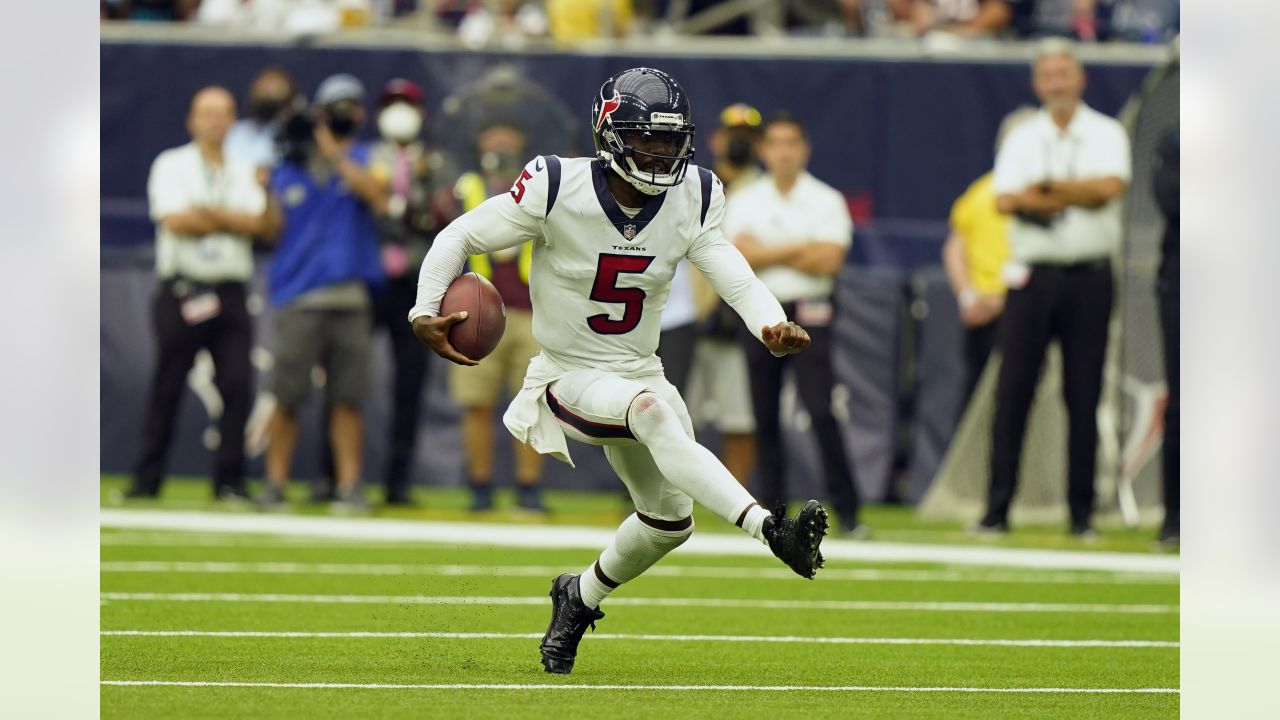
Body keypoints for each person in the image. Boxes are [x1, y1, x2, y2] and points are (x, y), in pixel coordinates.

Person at [410, 68, 829, 675]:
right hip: (567, 371)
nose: (661, 153)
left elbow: (730, 270)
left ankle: (577, 599)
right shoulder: (558, 185)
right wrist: (425, 307)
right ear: (609, 134)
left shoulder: (695, 194)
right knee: (654, 415)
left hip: (639, 367)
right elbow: (461, 233)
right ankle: (771, 531)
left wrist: (770, 321)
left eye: (670, 141)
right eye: (647, 139)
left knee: (667, 522)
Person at [975, 39, 1131, 536]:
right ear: (1037, 83)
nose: (1058, 84)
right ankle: (996, 510)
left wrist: (1044, 190)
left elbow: (1109, 189)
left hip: (1090, 276)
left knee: (1083, 395)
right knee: (1013, 391)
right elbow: (1004, 200)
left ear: (1079, 78)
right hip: (1033, 277)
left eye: (1065, 74)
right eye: (1049, 76)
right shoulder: (1022, 136)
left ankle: (1081, 515)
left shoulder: (1106, 131)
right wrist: (1076, 192)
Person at [129, 86, 273, 501]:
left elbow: (259, 227)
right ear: (191, 120)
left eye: (224, 113)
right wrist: (231, 218)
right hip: (182, 290)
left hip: (229, 290)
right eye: (207, 113)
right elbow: (175, 220)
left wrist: (208, 214)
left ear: (233, 120)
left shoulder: (246, 168)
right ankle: (147, 479)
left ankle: (229, 481)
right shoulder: (171, 164)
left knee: (237, 384)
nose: (216, 120)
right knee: (167, 385)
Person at [725, 113, 864, 536]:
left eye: (792, 142)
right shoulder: (745, 199)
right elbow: (737, 257)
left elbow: (830, 260)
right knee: (764, 413)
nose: (784, 151)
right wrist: (802, 247)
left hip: (810, 310)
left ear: (804, 148)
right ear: (763, 150)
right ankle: (774, 514)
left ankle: (849, 510)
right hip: (762, 309)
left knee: (821, 409)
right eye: (775, 143)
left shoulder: (826, 199)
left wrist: (770, 251)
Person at [258, 73, 388, 511]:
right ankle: (274, 484)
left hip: (350, 295)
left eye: (350, 107)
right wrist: (263, 189)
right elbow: (270, 231)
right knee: (287, 395)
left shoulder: (367, 157)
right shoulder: (289, 163)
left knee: (348, 399)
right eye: (336, 108)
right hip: (298, 295)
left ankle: (348, 487)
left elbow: (379, 196)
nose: (343, 115)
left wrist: (337, 156)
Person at [364, 78, 459, 505]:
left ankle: (396, 483)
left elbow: (447, 216)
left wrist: (425, 189)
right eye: (393, 104)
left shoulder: (436, 162)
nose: (400, 112)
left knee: (409, 387)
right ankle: (335, 476)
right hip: (368, 279)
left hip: (417, 285)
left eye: (407, 104)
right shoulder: (366, 159)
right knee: (345, 380)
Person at [450, 122, 548, 512]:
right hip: (475, 313)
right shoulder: (463, 189)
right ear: (480, 145)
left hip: (529, 310)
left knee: (533, 406)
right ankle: (480, 485)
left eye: (510, 139)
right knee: (477, 403)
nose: (502, 146)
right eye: (494, 139)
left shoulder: (542, 191)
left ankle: (528, 488)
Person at [678, 103, 765, 487]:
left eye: (747, 138)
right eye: (733, 136)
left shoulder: (762, 193)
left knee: (739, 417)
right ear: (715, 139)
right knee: (673, 416)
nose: (739, 145)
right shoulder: (693, 185)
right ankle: (667, 499)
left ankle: (739, 498)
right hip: (685, 312)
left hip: (734, 316)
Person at [943, 106, 1038, 404]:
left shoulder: (1042, 196)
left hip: (1017, 307)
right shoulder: (984, 193)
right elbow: (955, 248)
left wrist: (981, 301)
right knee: (986, 402)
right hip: (991, 315)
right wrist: (970, 299)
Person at [1152, 126, 1178, 548]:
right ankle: (1177, 517)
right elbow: (1175, 201)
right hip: (1185, 279)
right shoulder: (1177, 140)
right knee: (1184, 401)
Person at [224, 67, 295, 185]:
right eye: (263, 92)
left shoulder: (290, 135)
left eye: (274, 93)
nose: (267, 98)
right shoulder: (235, 131)